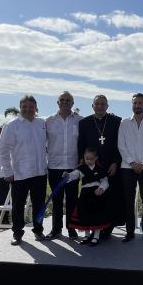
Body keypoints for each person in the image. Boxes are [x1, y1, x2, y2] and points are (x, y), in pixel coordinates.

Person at [0, 95, 48, 245]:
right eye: (24, 107)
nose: (27, 109)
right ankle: (17, 233)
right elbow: (2, 149)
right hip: (20, 173)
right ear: (20, 108)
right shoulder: (12, 125)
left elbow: (47, 145)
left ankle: (38, 231)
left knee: (39, 205)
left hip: (40, 172)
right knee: (18, 206)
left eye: (31, 107)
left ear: (35, 108)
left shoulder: (41, 123)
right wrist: (7, 171)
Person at [78, 95, 123, 239]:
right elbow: (81, 144)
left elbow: (119, 144)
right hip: (92, 165)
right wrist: (82, 161)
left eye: (103, 104)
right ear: (92, 106)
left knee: (110, 197)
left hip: (110, 165)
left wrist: (115, 162)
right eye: (97, 104)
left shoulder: (116, 121)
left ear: (107, 106)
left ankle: (107, 228)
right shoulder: (84, 122)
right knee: (92, 198)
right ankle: (91, 227)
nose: (100, 106)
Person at [117, 93, 143, 243]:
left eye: (140, 103)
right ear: (132, 105)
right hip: (128, 167)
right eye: (135, 103)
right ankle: (129, 231)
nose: (137, 105)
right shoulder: (124, 123)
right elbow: (121, 145)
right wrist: (132, 163)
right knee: (128, 199)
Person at [46, 91, 82, 239]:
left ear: (72, 103)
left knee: (72, 200)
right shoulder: (48, 121)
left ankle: (72, 229)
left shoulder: (80, 120)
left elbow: (84, 142)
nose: (65, 102)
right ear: (58, 102)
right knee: (57, 200)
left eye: (68, 100)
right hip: (54, 167)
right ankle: (56, 229)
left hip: (73, 167)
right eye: (62, 99)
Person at [65, 148, 111, 245]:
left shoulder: (100, 170)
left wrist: (101, 189)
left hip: (96, 195)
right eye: (87, 158)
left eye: (91, 159)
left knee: (96, 215)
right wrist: (68, 175)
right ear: (84, 158)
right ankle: (87, 235)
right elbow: (75, 175)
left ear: (96, 158)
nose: (89, 161)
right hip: (85, 195)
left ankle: (96, 236)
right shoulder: (82, 169)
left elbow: (105, 181)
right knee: (84, 214)